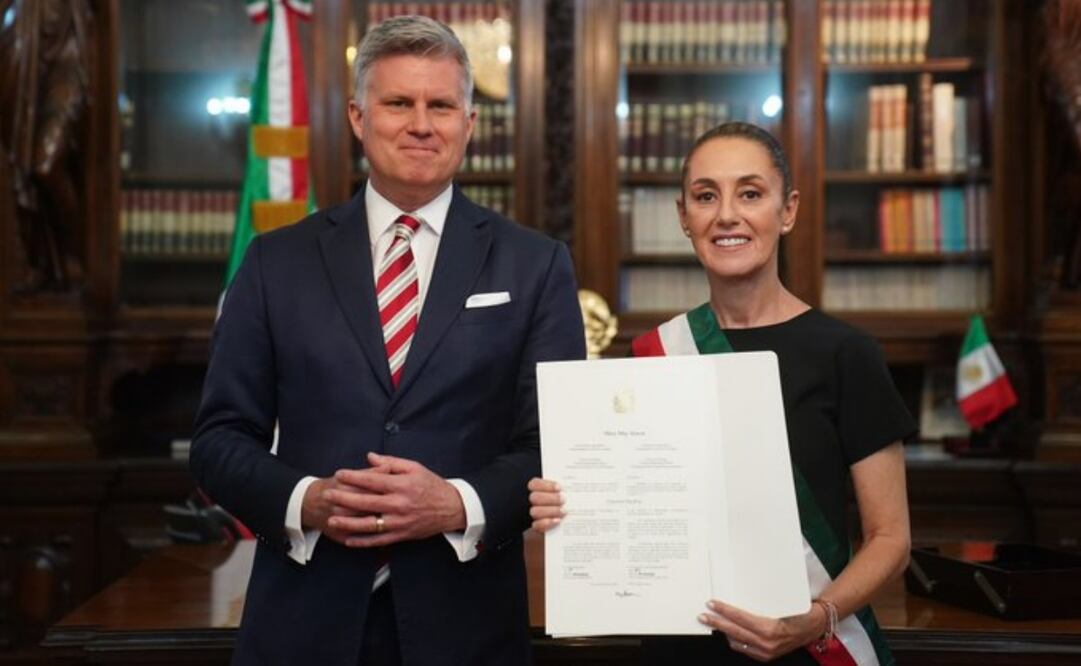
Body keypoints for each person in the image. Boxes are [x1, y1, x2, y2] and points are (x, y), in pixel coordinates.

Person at [191, 15, 585, 666]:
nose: (421, 124)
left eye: (441, 105)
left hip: (467, 627)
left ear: (469, 123)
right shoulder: (275, 262)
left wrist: (455, 504)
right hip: (302, 625)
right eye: (398, 103)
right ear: (357, 116)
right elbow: (217, 442)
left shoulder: (534, 265)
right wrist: (305, 502)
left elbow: (554, 445)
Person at [529, 122, 913, 665]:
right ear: (684, 217)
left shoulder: (846, 355)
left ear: (788, 210)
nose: (727, 214)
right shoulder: (650, 357)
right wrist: (568, 506)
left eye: (750, 194)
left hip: (806, 649)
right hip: (679, 646)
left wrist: (816, 618)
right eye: (706, 196)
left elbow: (891, 540)